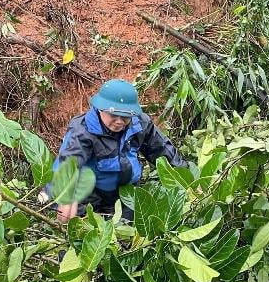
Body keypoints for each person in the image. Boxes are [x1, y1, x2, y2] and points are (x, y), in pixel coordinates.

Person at [50, 79, 187, 221]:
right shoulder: (83, 131)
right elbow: (68, 162)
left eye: (125, 116)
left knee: (129, 236)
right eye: (114, 115)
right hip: (91, 198)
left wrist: (186, 178)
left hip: (126, 194)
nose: (119, 121)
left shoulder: (140, 124)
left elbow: (161, 149)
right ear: (101, 109)